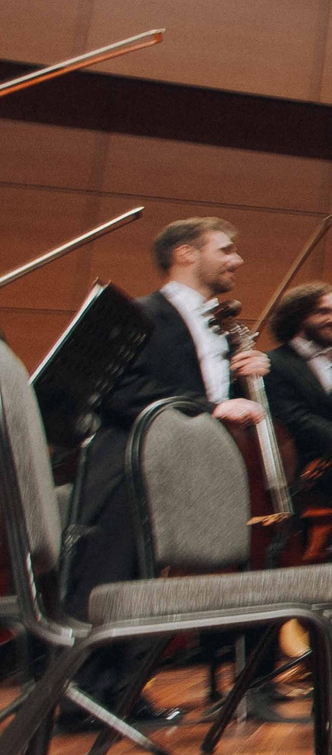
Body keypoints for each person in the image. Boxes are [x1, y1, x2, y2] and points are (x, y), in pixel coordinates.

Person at [61, 217, 272, 726]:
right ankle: (81, 699)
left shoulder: (219, 328)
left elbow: (205, 395)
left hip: (177, 468)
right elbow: (116, 391)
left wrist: (244, 379)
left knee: (151, 585)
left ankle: (126, 694)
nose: (237, 260)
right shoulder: (138, 314)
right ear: (185, 253)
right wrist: (212, 406)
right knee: (111, 579)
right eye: (225, 249)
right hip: (126, 462)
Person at [265, 283, 332, 509]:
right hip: (300, 476)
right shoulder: (274, 363)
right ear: (297, 316)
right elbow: (294, 418)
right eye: (323, 312)